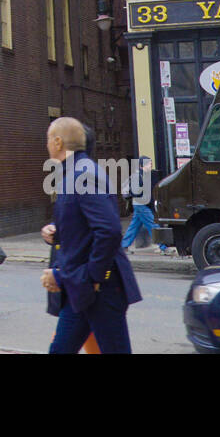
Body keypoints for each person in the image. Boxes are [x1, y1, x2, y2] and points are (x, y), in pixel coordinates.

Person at [40, 117, 142, 354]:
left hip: (100, 289)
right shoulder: (75, 172)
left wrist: (92, 277)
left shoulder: (82, 174)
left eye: (47, 139)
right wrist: (57, 233)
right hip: (83, 288)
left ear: (57, 142)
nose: (46, 145)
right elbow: (86, 226)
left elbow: (109, 230)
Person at [122, 156, 167, 253]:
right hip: (141, 205)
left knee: (134, 226)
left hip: (140, 205)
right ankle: (164, 247)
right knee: (153, 225)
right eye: (148, 163)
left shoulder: (147, 175)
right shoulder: (138, 176)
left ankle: (123, 246)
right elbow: (137, 193)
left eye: (151, 163)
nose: (151, 165)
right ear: (142, 165)